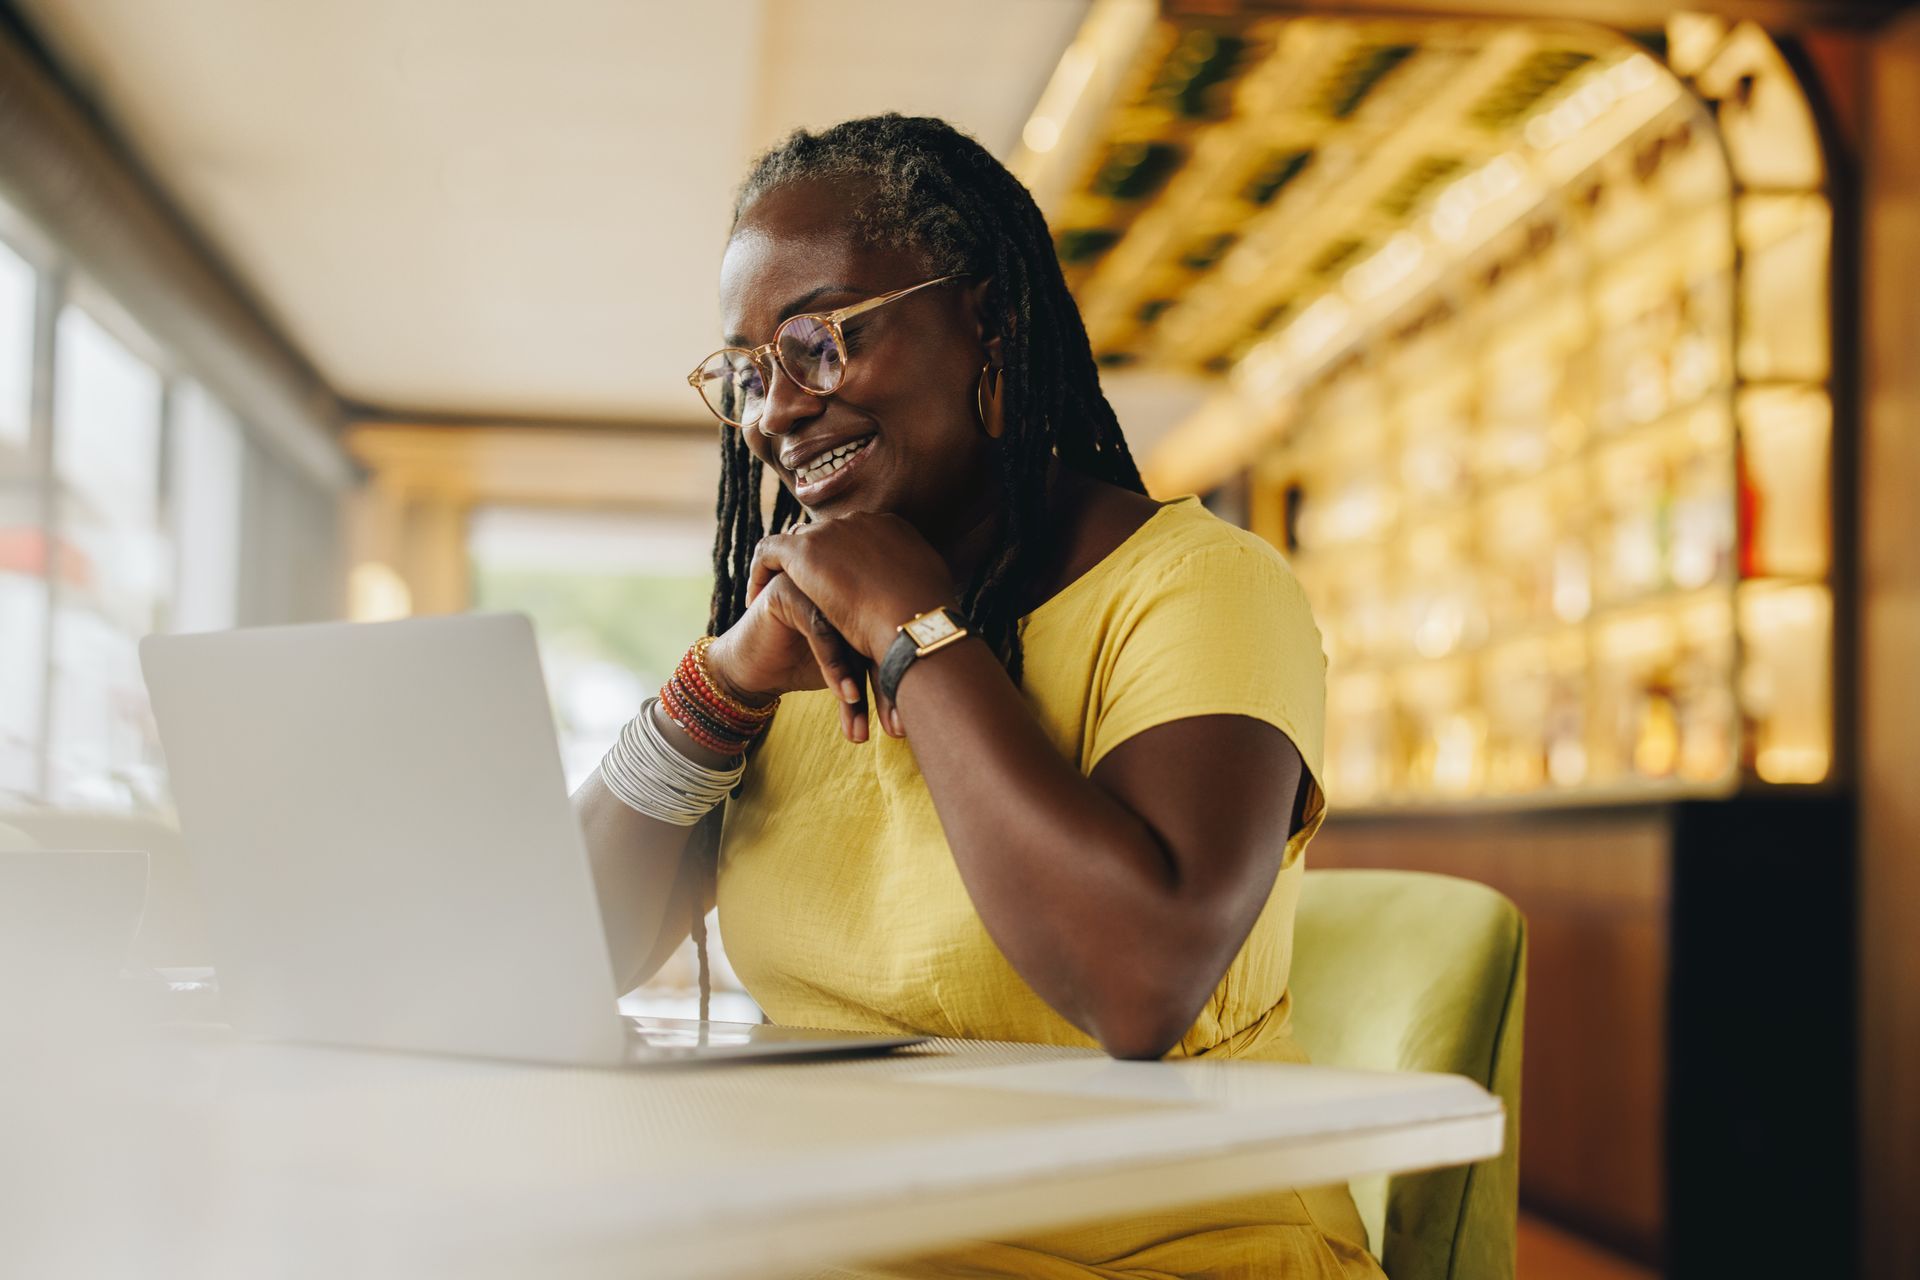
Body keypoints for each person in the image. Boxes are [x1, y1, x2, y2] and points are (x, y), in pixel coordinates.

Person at [574, 114, 1381, 1279]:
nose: (773, 412)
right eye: (748, 373)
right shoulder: (792, 642)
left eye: (818, 340)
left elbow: (1137, 984)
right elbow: (564, 952)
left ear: (988, 321)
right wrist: (722, 680)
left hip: (1166, 1248)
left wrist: (920, 634)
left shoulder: (1200, 587)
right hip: (849, 1239)